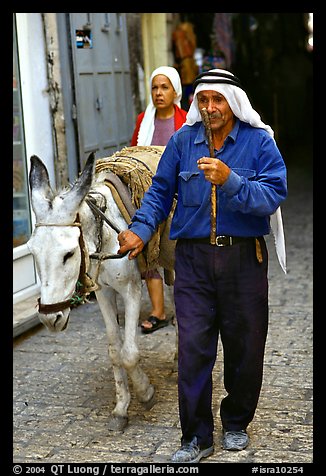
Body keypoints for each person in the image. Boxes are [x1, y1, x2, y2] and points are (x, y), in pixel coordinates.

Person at [118, 68, 287, 463]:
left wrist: (230, 180)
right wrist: (140, 230)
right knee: (193, 349)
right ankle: (196, 437)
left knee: (246, 347)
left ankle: (235, 422)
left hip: (244, 260)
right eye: (203, 100)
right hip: (192, 261)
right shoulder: (181, 142)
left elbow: (273, 195)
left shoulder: (259, 142)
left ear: (233, 102)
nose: (210, 108)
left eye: (218, 100)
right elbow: (159, 193)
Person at [130, 66, 187, 334]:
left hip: (178, 195)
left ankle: (183, 309)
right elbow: (134, 156)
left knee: (177, 251)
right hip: (150, 193)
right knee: (150, 249)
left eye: (164, 87)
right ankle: (158, 311)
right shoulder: (144, 120)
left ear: (175, 91)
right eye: (154, 87)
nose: (159, 93)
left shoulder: (185, 120)